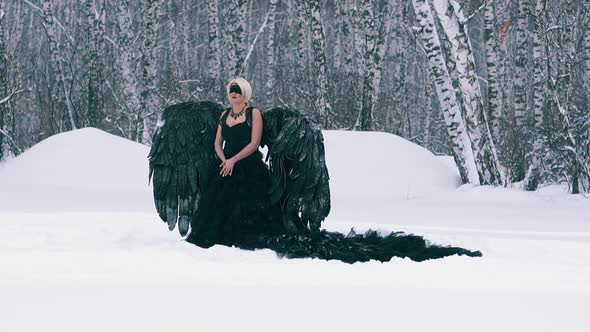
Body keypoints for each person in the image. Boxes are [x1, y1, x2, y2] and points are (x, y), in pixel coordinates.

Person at [188, 78, 283, 248]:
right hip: (225, 164)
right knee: (216, 201)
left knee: (247, 203)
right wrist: (224, 159)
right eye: (232, 90)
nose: (234, 93)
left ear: (245, 93)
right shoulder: (225, 114)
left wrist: (234, 160)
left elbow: (254, 143)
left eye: (237, 90)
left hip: (248, 165)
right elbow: (217, 143)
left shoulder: (253, 113)